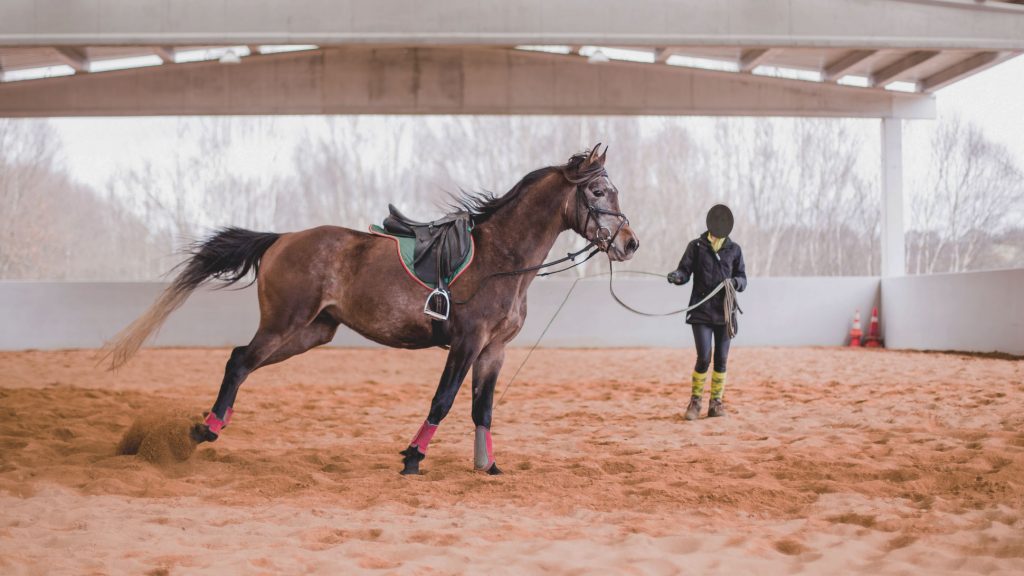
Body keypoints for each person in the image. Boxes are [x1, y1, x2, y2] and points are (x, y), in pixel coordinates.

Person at [667, 204, 747, 420]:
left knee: (721, 359)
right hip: (701, 311)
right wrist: (677, 277)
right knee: (704, 357)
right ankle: (695, 402)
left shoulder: (735, 250)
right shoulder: (696, 246)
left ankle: (716, 403)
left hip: (724, 313)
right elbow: (684, 271)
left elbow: (743, 278)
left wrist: (735, 282)